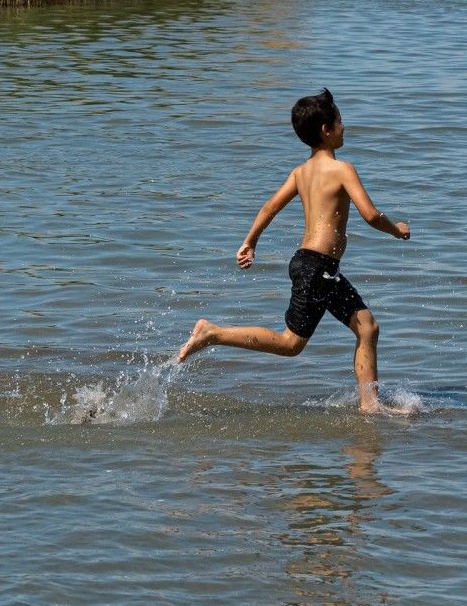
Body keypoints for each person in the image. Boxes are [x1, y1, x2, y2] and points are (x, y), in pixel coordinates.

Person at [176, 88, 413, 415]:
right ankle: (212, 333)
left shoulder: (300, 173)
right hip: (318, 268)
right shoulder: (343, 169)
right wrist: (396, 229)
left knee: (367, 327)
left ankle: (369, 404)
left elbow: (270, 207)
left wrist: (250, 241)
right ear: (326, 131)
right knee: (290, 343)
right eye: (340, 122)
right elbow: (370, 215)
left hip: (314, 266)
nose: (345, 127)